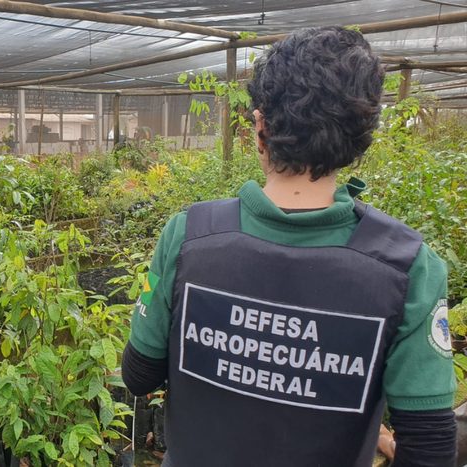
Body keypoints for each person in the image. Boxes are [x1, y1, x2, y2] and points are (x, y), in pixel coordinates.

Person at [121, 26, 456, 466]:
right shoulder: (406, 266)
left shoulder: (190, 234)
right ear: (360, 139)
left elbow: (140, 375)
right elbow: (430, 445)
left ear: (260, 126)